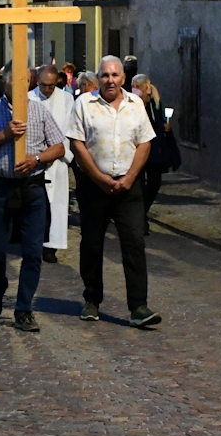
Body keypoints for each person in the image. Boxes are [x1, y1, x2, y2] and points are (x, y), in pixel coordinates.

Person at [67, 56, 161, 328]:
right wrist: (99, 178)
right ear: (99, 78)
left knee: (134, 242)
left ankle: (139, 306)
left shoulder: (136, 105)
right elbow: (77, 144)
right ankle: (92, 299)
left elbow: (145, 143)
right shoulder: (84, 104)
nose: (110, 80)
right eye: (105, 75)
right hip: (94, 186)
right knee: (92, 243)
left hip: (128, 187)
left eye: (115, 75)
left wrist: (130, 178)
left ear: (123, 78)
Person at [0, 62, 65, 333]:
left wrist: (36, 158)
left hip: (31, 188)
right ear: (6, 83)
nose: (21, 86)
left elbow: (58, 147)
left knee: (33, 251)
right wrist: (4, 135)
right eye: (15, 81)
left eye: (26, 81)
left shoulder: (39, 110)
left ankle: (24, 308)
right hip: (0, 188)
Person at [31, 65, 74, 264]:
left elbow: (68, 128)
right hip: (35, 160)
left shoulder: (66, 99)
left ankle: (52, 246)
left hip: (57, 161)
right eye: (43, 85)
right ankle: (34, 243)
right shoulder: (29, 98)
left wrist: (56, 151)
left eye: (51, 86)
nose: (47, 90)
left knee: (56, 204)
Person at [132, 74, 181, 233]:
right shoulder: (132, 105)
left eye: (137, 87)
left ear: (146, 88)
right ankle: (141, 220)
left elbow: (157, 123)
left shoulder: (156, 104)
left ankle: (140, 214)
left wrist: (166, 127)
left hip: (154, 151)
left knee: (154, 184)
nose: (135, 90)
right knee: (138, 185)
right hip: (137, 149)